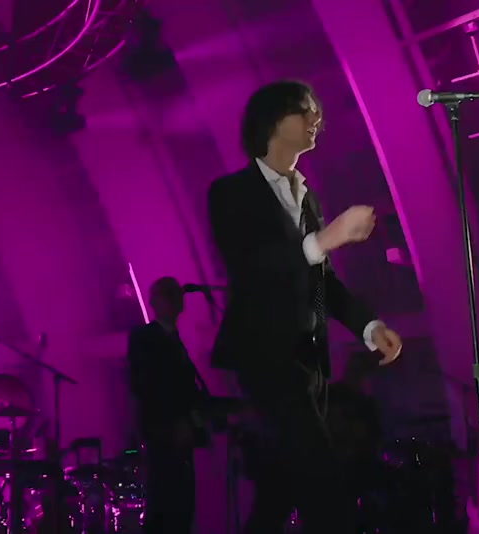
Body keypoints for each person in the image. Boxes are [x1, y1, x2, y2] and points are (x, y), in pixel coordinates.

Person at [207, 80, 402, 533]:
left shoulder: (306, 196)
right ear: (273, 121)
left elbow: (321, 280)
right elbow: (253, 267)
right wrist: (325, 239)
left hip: (310, 360)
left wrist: (368, 326)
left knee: (282, 488)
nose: (317, 119)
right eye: (305, 110)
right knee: (323, 478)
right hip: (265, 357)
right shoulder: (230, 193)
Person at [126, 276, 208, 534]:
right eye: (168, 294)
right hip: (163, 432)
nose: (175, 299)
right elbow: (148, 386)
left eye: (176, 293)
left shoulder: (173, 340)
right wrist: (178, 421)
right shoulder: (146, 337)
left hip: (176, 433)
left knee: (181, 507)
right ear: (154, 302)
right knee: (167, 505)